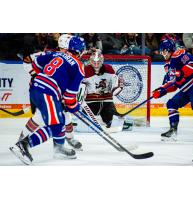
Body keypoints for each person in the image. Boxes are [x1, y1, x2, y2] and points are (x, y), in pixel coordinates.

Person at [9, 35, 86, 165]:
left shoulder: (56, 54)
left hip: (36, 88)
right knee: (56, 124)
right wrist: (75, 107)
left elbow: (36, 65)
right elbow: (70, 96)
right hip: (48, 93)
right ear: (81, 51)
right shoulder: (79, 67)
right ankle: (23, 144)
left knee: (59, 121)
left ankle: (59, 148)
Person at [152, 39, 193, 143]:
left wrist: (182, 73)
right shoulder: (167, 66)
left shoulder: (178, 54)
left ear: (169, 50)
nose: (163, 54)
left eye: (164, 51)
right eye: (162, 52)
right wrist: (161, 91)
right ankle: (173, 130)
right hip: (186, 88)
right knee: (171, 103)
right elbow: (173, 84)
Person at [82, 49, 132, 130]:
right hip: (91, 102)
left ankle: (114, 120)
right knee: (84, 123)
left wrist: (119, 86)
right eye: (94, 62)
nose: (96, 65)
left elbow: (116, 85)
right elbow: (79, 85)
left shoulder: (109, 69)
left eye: (98, 62)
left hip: (106, 102)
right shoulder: (85, 70)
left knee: (113, 123)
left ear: (102, 61)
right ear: (90, 61)